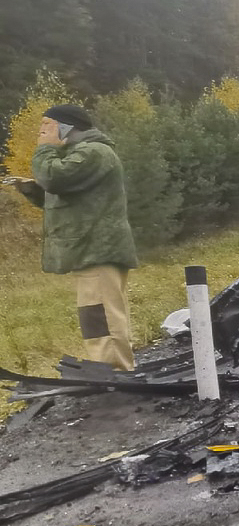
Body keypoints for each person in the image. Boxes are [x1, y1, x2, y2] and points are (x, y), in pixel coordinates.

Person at [4, 105, 138, 371]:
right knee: (98, 314)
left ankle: (114, 374)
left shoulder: (93, 152)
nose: (41, 130)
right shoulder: (82, 155)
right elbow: (64, 196)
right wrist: (31, 188)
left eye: (48, 123)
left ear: (67, 126)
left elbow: (54, 178)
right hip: (91, 250)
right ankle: (111, 370)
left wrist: (44, 148)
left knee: (100, 316)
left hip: (97, 248)